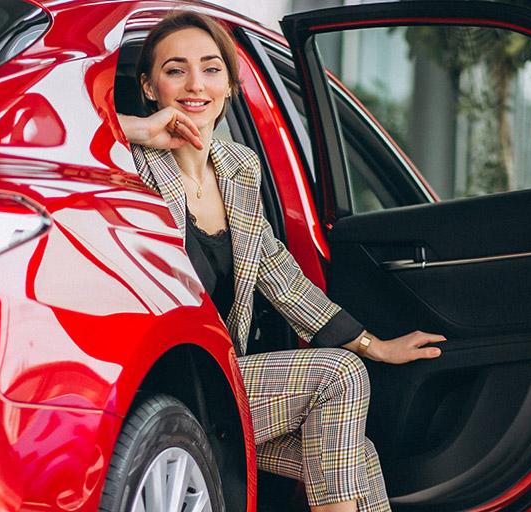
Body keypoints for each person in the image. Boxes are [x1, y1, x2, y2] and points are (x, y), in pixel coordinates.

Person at [116, 11, 446, 512]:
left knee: (360, 456)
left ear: (228, 84)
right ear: (149, 85)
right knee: (339, 375)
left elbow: (280, 275)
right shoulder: (131, 164)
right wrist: (139, 129)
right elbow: (45, 128)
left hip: (228, 380)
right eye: (175, 69)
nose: (195, 84)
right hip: (170, 383)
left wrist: (375, 345)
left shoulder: (239, 168)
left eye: (210, 68)